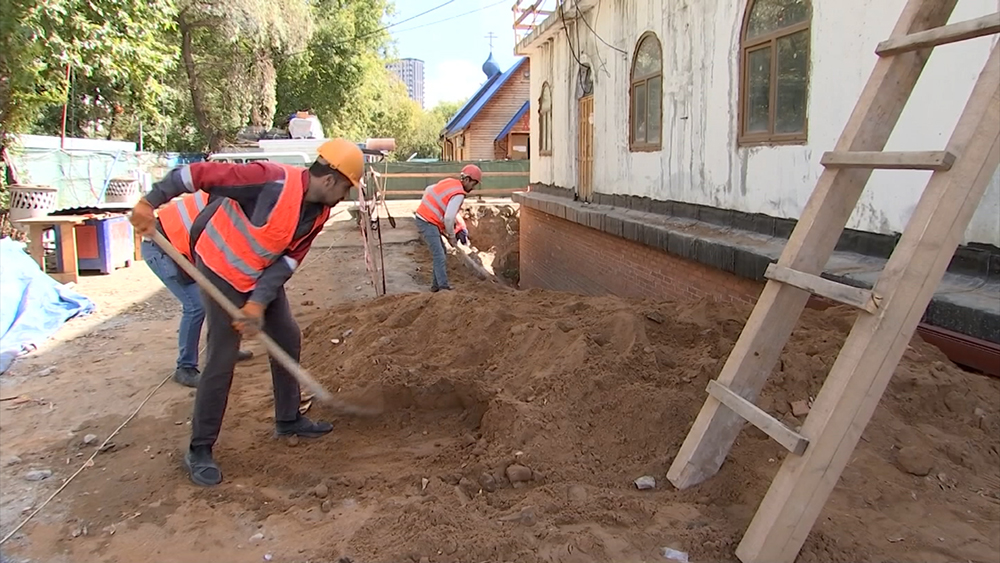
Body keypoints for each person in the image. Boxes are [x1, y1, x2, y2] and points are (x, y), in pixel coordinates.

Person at [129, 138, 365, 487]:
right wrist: (149, 202)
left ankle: (287, 420)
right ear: (329, 180)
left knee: (286, 336)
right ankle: (200, 448)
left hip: (256, 274)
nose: (345, 196)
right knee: (222, 356)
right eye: (346, 187)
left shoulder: (319, 212)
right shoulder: (269, 179)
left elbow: (287, 261)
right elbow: (198, 174)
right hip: (219, 269)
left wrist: (257, 301)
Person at [140, 193, 253, 388]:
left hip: (182, 248)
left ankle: (226, 349)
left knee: (225, 292)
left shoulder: (233, 198)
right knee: (195, 306)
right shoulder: (224, 204)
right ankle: (185, 368)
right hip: (162, 249)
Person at [413, 164, 481, 292]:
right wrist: (451, 236)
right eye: (473, 183)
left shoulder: (450, 182)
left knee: (441, 253)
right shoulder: (459, 194)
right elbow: (449, 218)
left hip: (426, 218)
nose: (473, 187)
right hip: (427, 221)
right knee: (439, 255)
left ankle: (435, 286)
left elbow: (429, 189)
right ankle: (443, 287)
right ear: (466, 180)